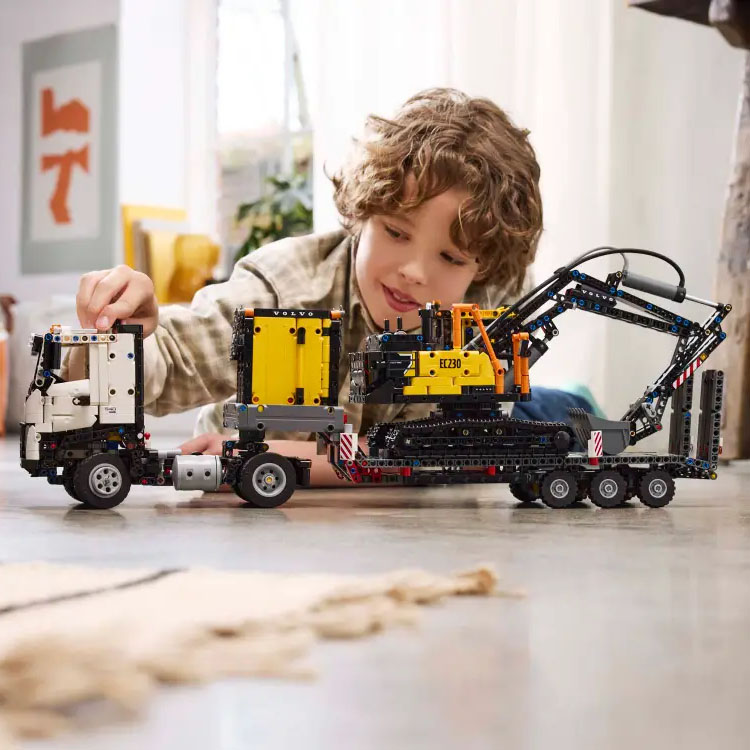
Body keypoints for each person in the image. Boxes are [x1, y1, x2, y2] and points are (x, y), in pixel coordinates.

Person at [73, 88, 589, 487]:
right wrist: (122, 334)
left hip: (509, 413)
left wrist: (300, 462)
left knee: (563, 422)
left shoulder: (486, 310)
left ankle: (573, 400)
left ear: (482, 272)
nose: (413, 270)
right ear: (363, 213)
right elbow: (172, 362)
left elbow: (457, 454)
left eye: (451, 258)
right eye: (396, 231)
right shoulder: (284, 289)